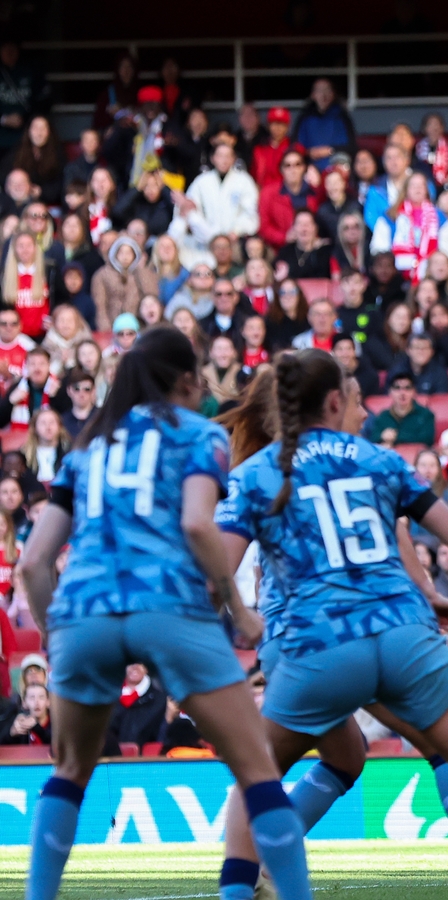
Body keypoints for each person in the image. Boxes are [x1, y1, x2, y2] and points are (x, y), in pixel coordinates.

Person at [213, 350, 448, 900]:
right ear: (336, 401)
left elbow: (218, 568)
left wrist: (240, 618)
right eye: (360, 399)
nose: (366, 412)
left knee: (264, 779)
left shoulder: (257, 472)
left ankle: (246, 885)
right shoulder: (377, 461)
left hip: (311, 645)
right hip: (398, 634)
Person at [15, 327, 316, 900]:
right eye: (198, 374)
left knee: (69, 773)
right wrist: (237, 607)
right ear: (184, 380)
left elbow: (32, 563)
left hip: (83, 610)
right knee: (257, 771)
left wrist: (60, 635)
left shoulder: (86, 446)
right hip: (169, 605)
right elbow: (198, 524)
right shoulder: (201, 435)